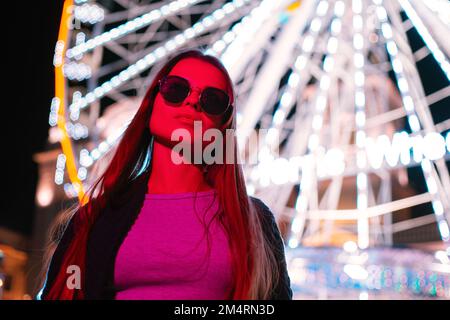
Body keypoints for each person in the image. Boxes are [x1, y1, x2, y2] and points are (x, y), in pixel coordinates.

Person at [38, 49, 293, 300]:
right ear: (152, 103)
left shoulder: (254, 221)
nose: (192, 101)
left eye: (212, 100)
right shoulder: (93, 219)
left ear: (223, 124)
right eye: (176, 89)